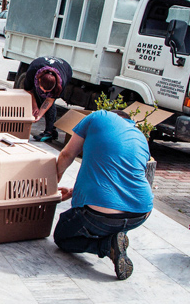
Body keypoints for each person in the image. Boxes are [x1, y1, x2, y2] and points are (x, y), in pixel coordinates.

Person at [53, 109, 153, 280]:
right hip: (141, 213)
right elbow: (122, 178)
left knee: (62, 236)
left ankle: (106, 246)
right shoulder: (141, 138)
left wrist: (52, 185)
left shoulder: (99, 116)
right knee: (110, 221)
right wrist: (73, 192)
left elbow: (67, 154)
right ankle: (115, 236)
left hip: (98, 215)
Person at [21, 56, 72, 142]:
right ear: (39, 79)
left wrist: (39, 115)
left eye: (48, 90)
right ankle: (51, 129)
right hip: (39, 65)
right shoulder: (32, 71)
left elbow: (49, 100)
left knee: (47, 102)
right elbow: (29, 90)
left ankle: (49, 131)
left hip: (65, 68)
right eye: (43, 89)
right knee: (39, 97)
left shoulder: (61, 82)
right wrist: (35, 106)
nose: (44, 91)